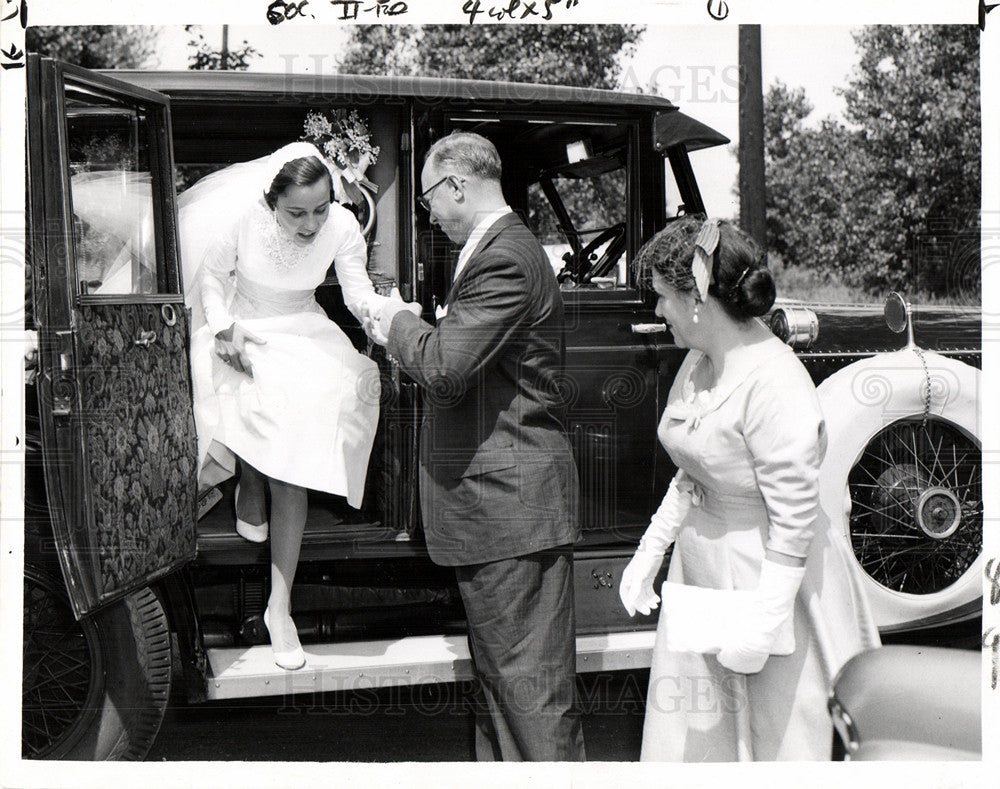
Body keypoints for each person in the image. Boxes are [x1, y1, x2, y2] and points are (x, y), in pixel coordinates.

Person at [618, 216, 880, 761]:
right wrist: (651, 551)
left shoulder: (774, 384)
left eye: (664, 297)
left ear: (699, 298)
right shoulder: (698, 361)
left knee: (774, 739)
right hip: (706, 570)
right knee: (700, 733)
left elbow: (795, 518)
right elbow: (697, 467)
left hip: (771, 579)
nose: (658, 311)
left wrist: (764, 623)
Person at [367, 131, 585, 761]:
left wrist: (394, 321)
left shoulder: (504, 257)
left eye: (429, 198)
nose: (428, 213)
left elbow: (444, 368)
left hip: (510, 512)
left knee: (529, 703)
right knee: (502, 697)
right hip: (501, 514)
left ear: (458, 186)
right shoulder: (499, 249)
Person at [179, 142, 413, 670]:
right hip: (242, 327)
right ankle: (250, 480)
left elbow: (356, 295)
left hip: (302, 324)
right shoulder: (244, 220)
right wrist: (223, 330)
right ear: (271, 202)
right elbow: (213, 280)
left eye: (321, 209)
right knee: (264, 395)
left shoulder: (343, 227)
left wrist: (389, 313)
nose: (311, 225)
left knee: (337, 392)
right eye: (296, 213)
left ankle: (278, 608)